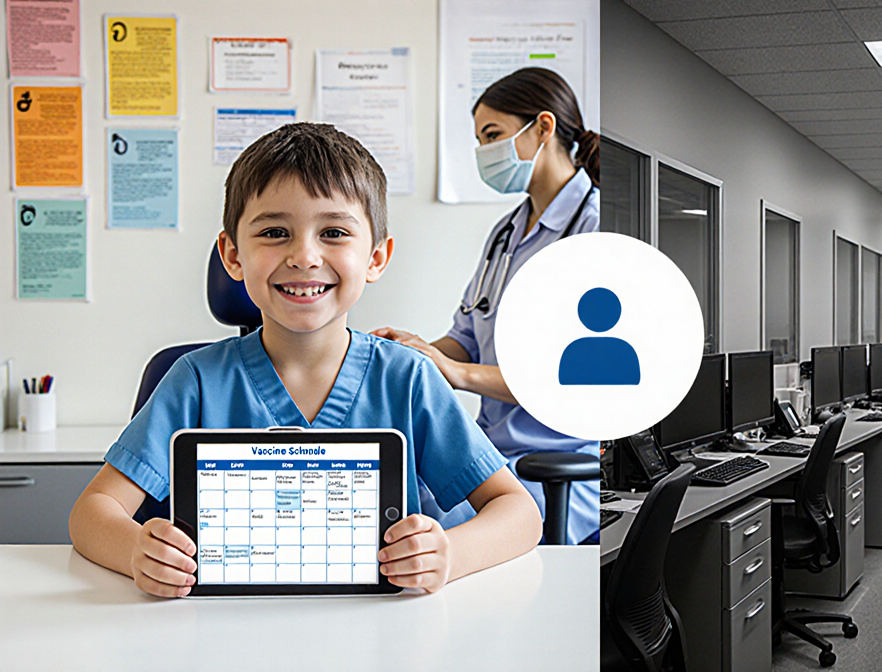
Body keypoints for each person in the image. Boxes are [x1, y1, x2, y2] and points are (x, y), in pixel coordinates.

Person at [69, 123, 542, 597]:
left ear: (376, 257)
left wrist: (450, 554)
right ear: (233, 256)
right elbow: (92, 513)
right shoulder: (194, 381)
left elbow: (519, 514)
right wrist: (136, 551)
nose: (304, 255)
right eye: (275, 232)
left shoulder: (408, 379)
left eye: (333, 232)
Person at [372, 68, 600, 544]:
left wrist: (457, 375)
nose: (484, 153)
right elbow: (467, 339)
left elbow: (574, 379)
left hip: (559, 466)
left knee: (421, 540)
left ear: (543, 127)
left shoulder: (594, 227)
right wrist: (411, 355)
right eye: (479, 140)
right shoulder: (505, 234)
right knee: (394, 500)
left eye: (493, 135)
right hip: (492, 453)